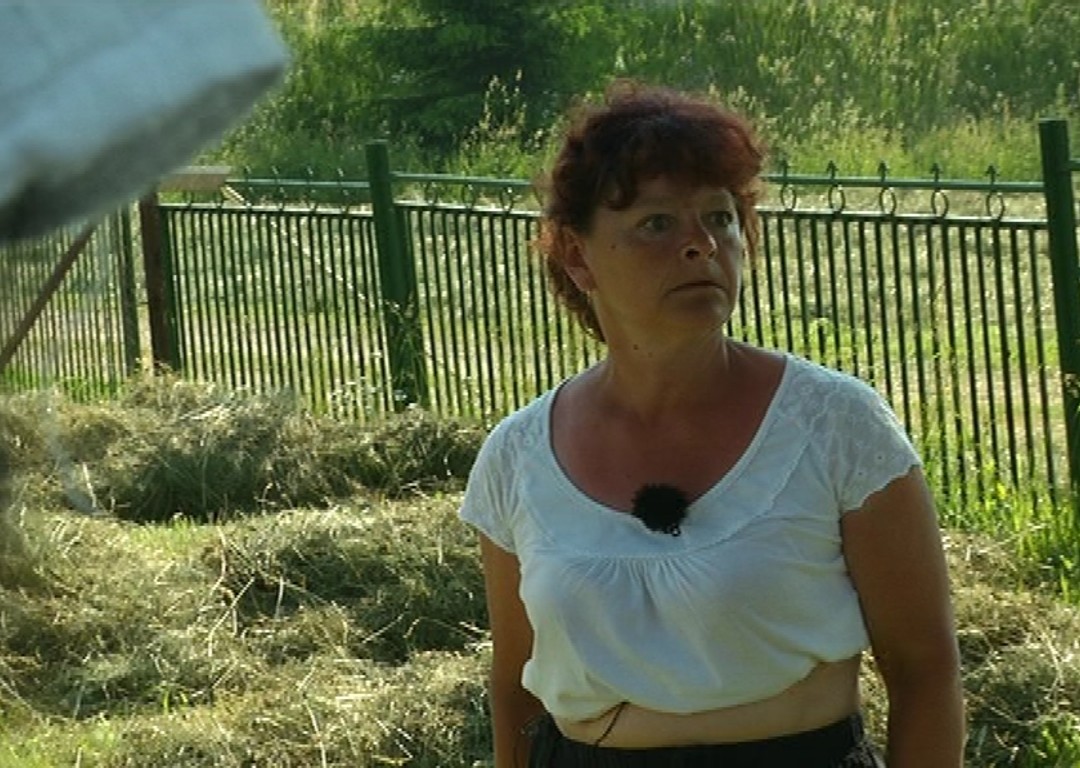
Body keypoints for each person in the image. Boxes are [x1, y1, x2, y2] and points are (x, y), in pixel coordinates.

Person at [458, 81, 965, 768]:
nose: (700, 245)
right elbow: (516, 690)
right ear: (577, 256)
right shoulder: (519, 455)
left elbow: (925, 670)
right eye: (657, 223)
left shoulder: (835, 425)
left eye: (720, 218)